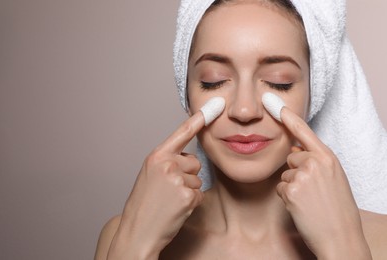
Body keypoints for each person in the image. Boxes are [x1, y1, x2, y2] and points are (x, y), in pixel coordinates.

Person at [95, 0, 387, 259]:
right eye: (214, 81)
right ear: (187, 94)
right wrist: (136, 244)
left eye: (279, 82)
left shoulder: (378, 241)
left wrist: (341, 247)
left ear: (313, 95)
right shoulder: (124, 235)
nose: (244, 110)